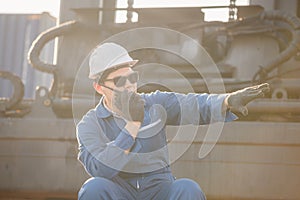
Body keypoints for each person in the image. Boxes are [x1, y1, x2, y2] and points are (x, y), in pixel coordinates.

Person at [76, 42, 270, 200]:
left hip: (159, 190)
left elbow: (192, 104)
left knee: (187, 188)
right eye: (119, 81)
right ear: (99, 88)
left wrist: (227, 101)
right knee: (93, 188)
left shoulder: (156, 104)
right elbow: (101, 169)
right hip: (119, 192)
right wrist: (132, 126)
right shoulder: (89, 125)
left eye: (132, 78)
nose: (129, 85)